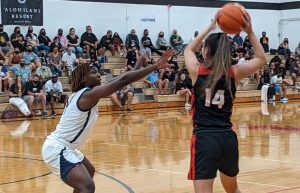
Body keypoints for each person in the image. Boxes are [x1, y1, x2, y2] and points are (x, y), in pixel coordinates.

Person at [41, 48, 175, 193]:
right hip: (57, 148)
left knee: (89, 172)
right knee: (87, 186)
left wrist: (137, 66)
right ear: (84, 79)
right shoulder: (88, 95)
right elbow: (124, 80)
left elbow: (122, 79)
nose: (98, 74)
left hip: (66, 147)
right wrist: (156, 66)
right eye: (93, 72)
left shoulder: (81, 94)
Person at [184, 11, 266, 193]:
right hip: (227, 139)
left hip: (205, 139)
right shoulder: (234, 73)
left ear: (206, 51)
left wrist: (210, 27)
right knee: (233, 190)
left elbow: (188, 50)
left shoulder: (197, 71)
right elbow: (261, 58)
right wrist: (250, 32)